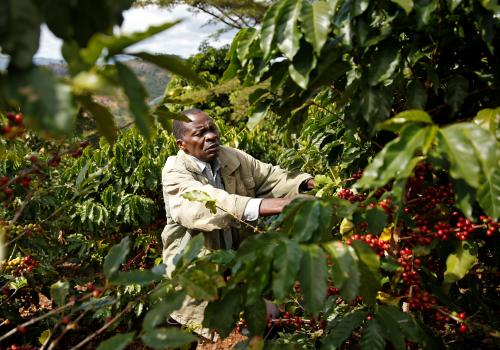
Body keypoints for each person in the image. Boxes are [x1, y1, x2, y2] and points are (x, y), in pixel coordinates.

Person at [160, 108, 315, 338]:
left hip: (239, 263)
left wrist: (307, 183)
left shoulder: (231, 157)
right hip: (198, 269)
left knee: (268, 324)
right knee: (185, 327)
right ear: (182, 144)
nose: (210, 136)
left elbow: (271, 176)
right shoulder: (175, 170)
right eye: (200, 133)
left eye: (212, 128)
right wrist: (269, 205)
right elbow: (207, 203)